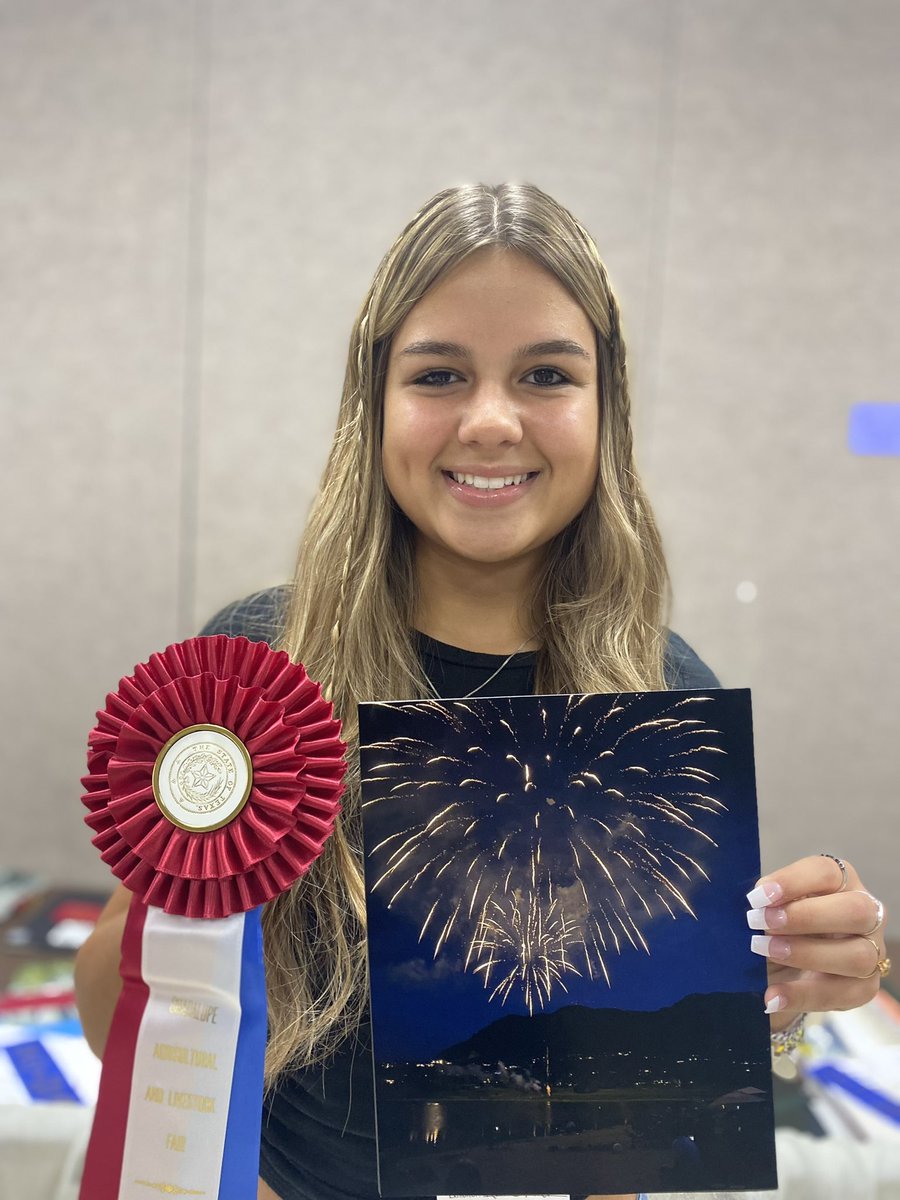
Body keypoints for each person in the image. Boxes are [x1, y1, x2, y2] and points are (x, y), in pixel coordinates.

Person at [75, 182, 889, 1200]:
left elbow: (626, 1136)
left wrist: (789, 979)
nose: (492, 421)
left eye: (546, 374)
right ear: (374, 402)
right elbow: (120, 1015)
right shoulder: (253, 662)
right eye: (440, 374)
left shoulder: (663, 695)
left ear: (608, 409)